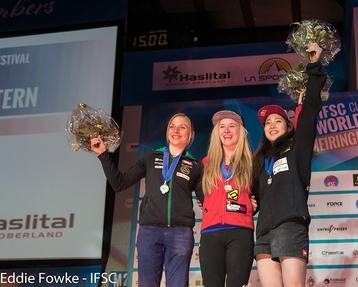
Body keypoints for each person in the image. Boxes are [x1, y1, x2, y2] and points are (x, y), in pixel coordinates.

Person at [90, 113, 204, 287]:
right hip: (150, 232)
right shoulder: (151, 157)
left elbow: (207, 199)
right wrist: (103, 154)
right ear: (167, 132)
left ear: (191, 134)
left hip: (180, 234)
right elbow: (120, 183)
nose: (176, 130)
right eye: (172, 126)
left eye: (183, 127)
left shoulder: (195, 165)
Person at [252, 43, 327, 287]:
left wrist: (314, 66)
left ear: (289, 126)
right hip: (263, 231)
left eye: (278, 121)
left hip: (290, 225)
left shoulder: (298, 149)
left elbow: (310, 111)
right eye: (267, 123)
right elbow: (253, 193)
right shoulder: (260, 160)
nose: (272, 125)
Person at [199, 110, 256, 287]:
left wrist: (254, 203)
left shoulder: (253, 161)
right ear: (217, 133)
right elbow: (201, 194)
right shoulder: (205, 163)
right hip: (210, 233)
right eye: (222, 127)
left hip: (240, 232)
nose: (226, 130)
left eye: (232, 126)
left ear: (241, 131)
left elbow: (262, 192)